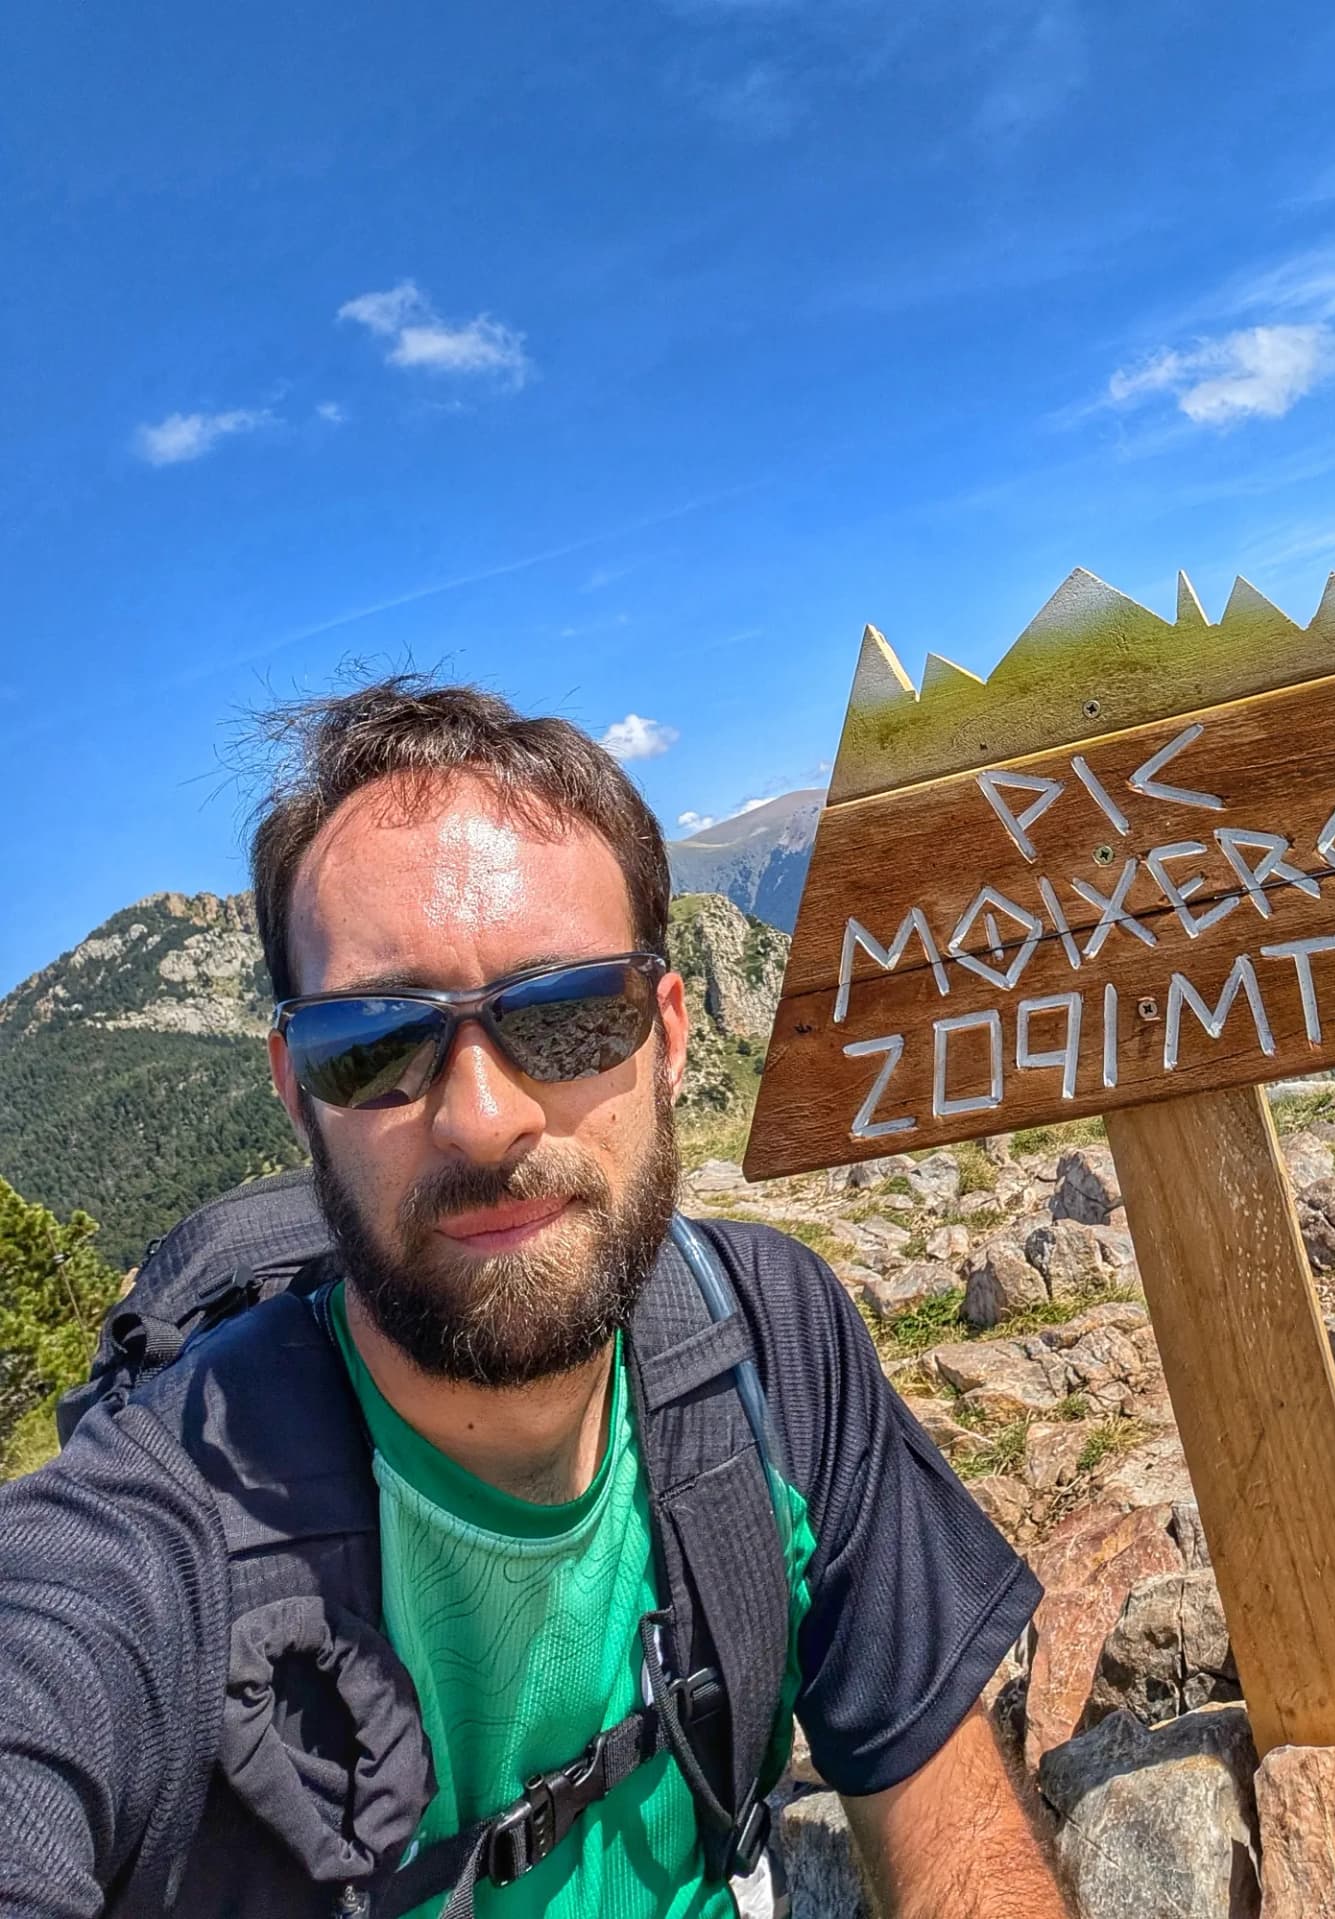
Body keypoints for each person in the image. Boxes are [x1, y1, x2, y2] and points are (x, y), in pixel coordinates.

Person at [0, 677, 1069, 1919]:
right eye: (375, 1042)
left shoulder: (769, 1341)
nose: (483, 1116)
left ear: (670, 1037)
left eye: (564, 1015)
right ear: (296, 1090)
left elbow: (942, 1809)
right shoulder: (143, 1546)